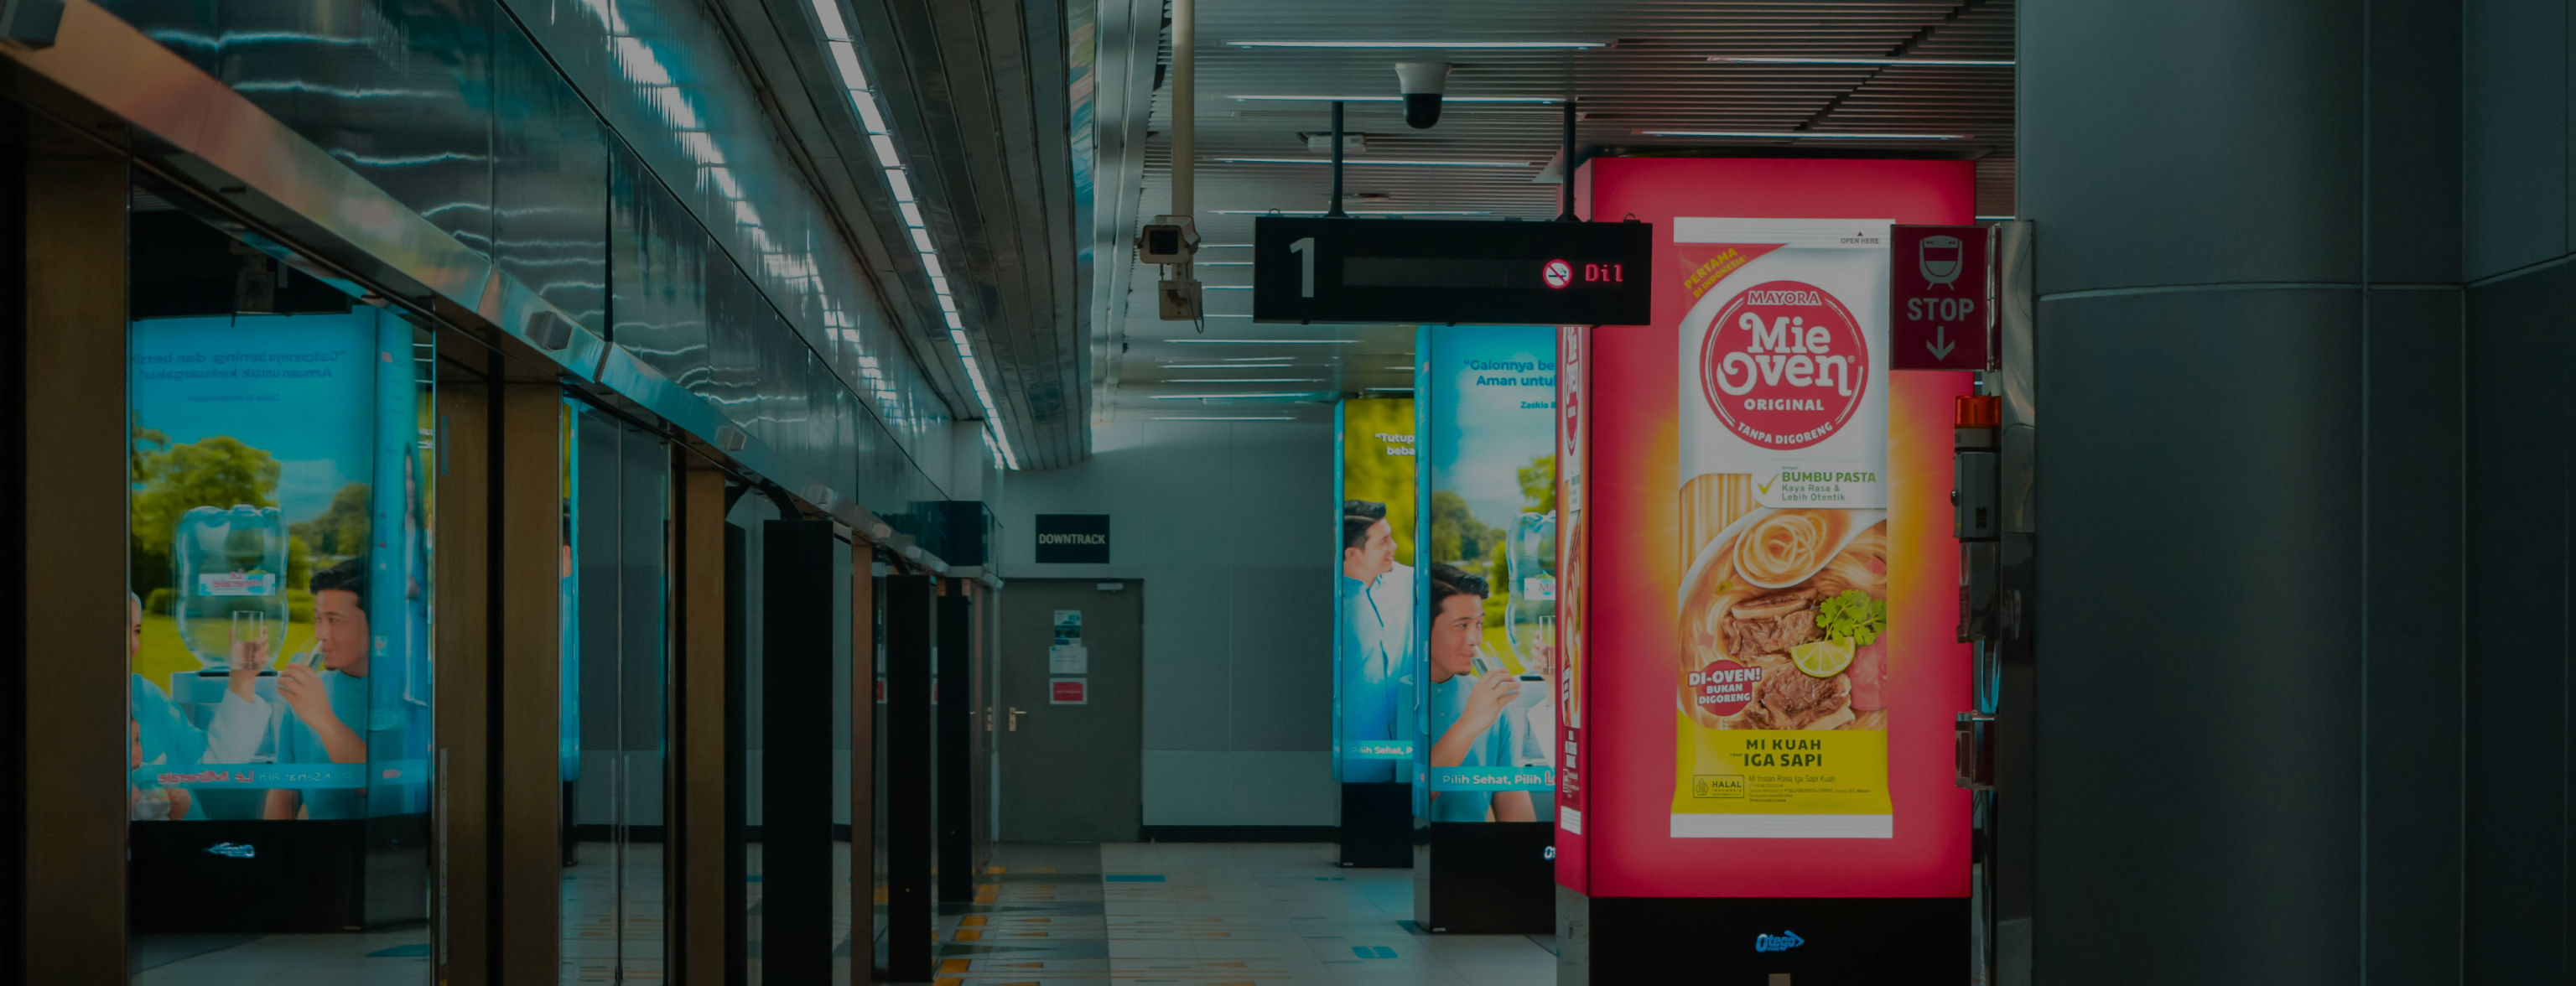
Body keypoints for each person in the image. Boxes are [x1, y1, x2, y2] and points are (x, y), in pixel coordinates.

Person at [127, 591, 268, 820]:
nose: (135, 646)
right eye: (123, 629)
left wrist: (243, 678)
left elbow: (214, 766)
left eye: (137, 631)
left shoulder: (144, 694)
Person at [263, 559, 377, 820]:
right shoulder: (309, 693)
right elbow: (284, 791)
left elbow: (378, 786)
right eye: (318, 619)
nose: (321, 634)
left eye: (335, 621)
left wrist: (322, 717)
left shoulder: (413, 696)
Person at [1423, 564, 1535, 822]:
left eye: (1479, 624)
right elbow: (1401, 802)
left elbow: (1515, 809)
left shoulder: (1490, 702)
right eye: (1462, 626)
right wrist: (1470, 723)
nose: (1476, 639)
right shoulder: (1390, 696)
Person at [1338, 501, 1415, 782]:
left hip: (1408, 766)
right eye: (1384, 541)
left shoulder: (1411, 582)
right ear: (1352, 554)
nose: (1394, 546)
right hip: (1352, 774)